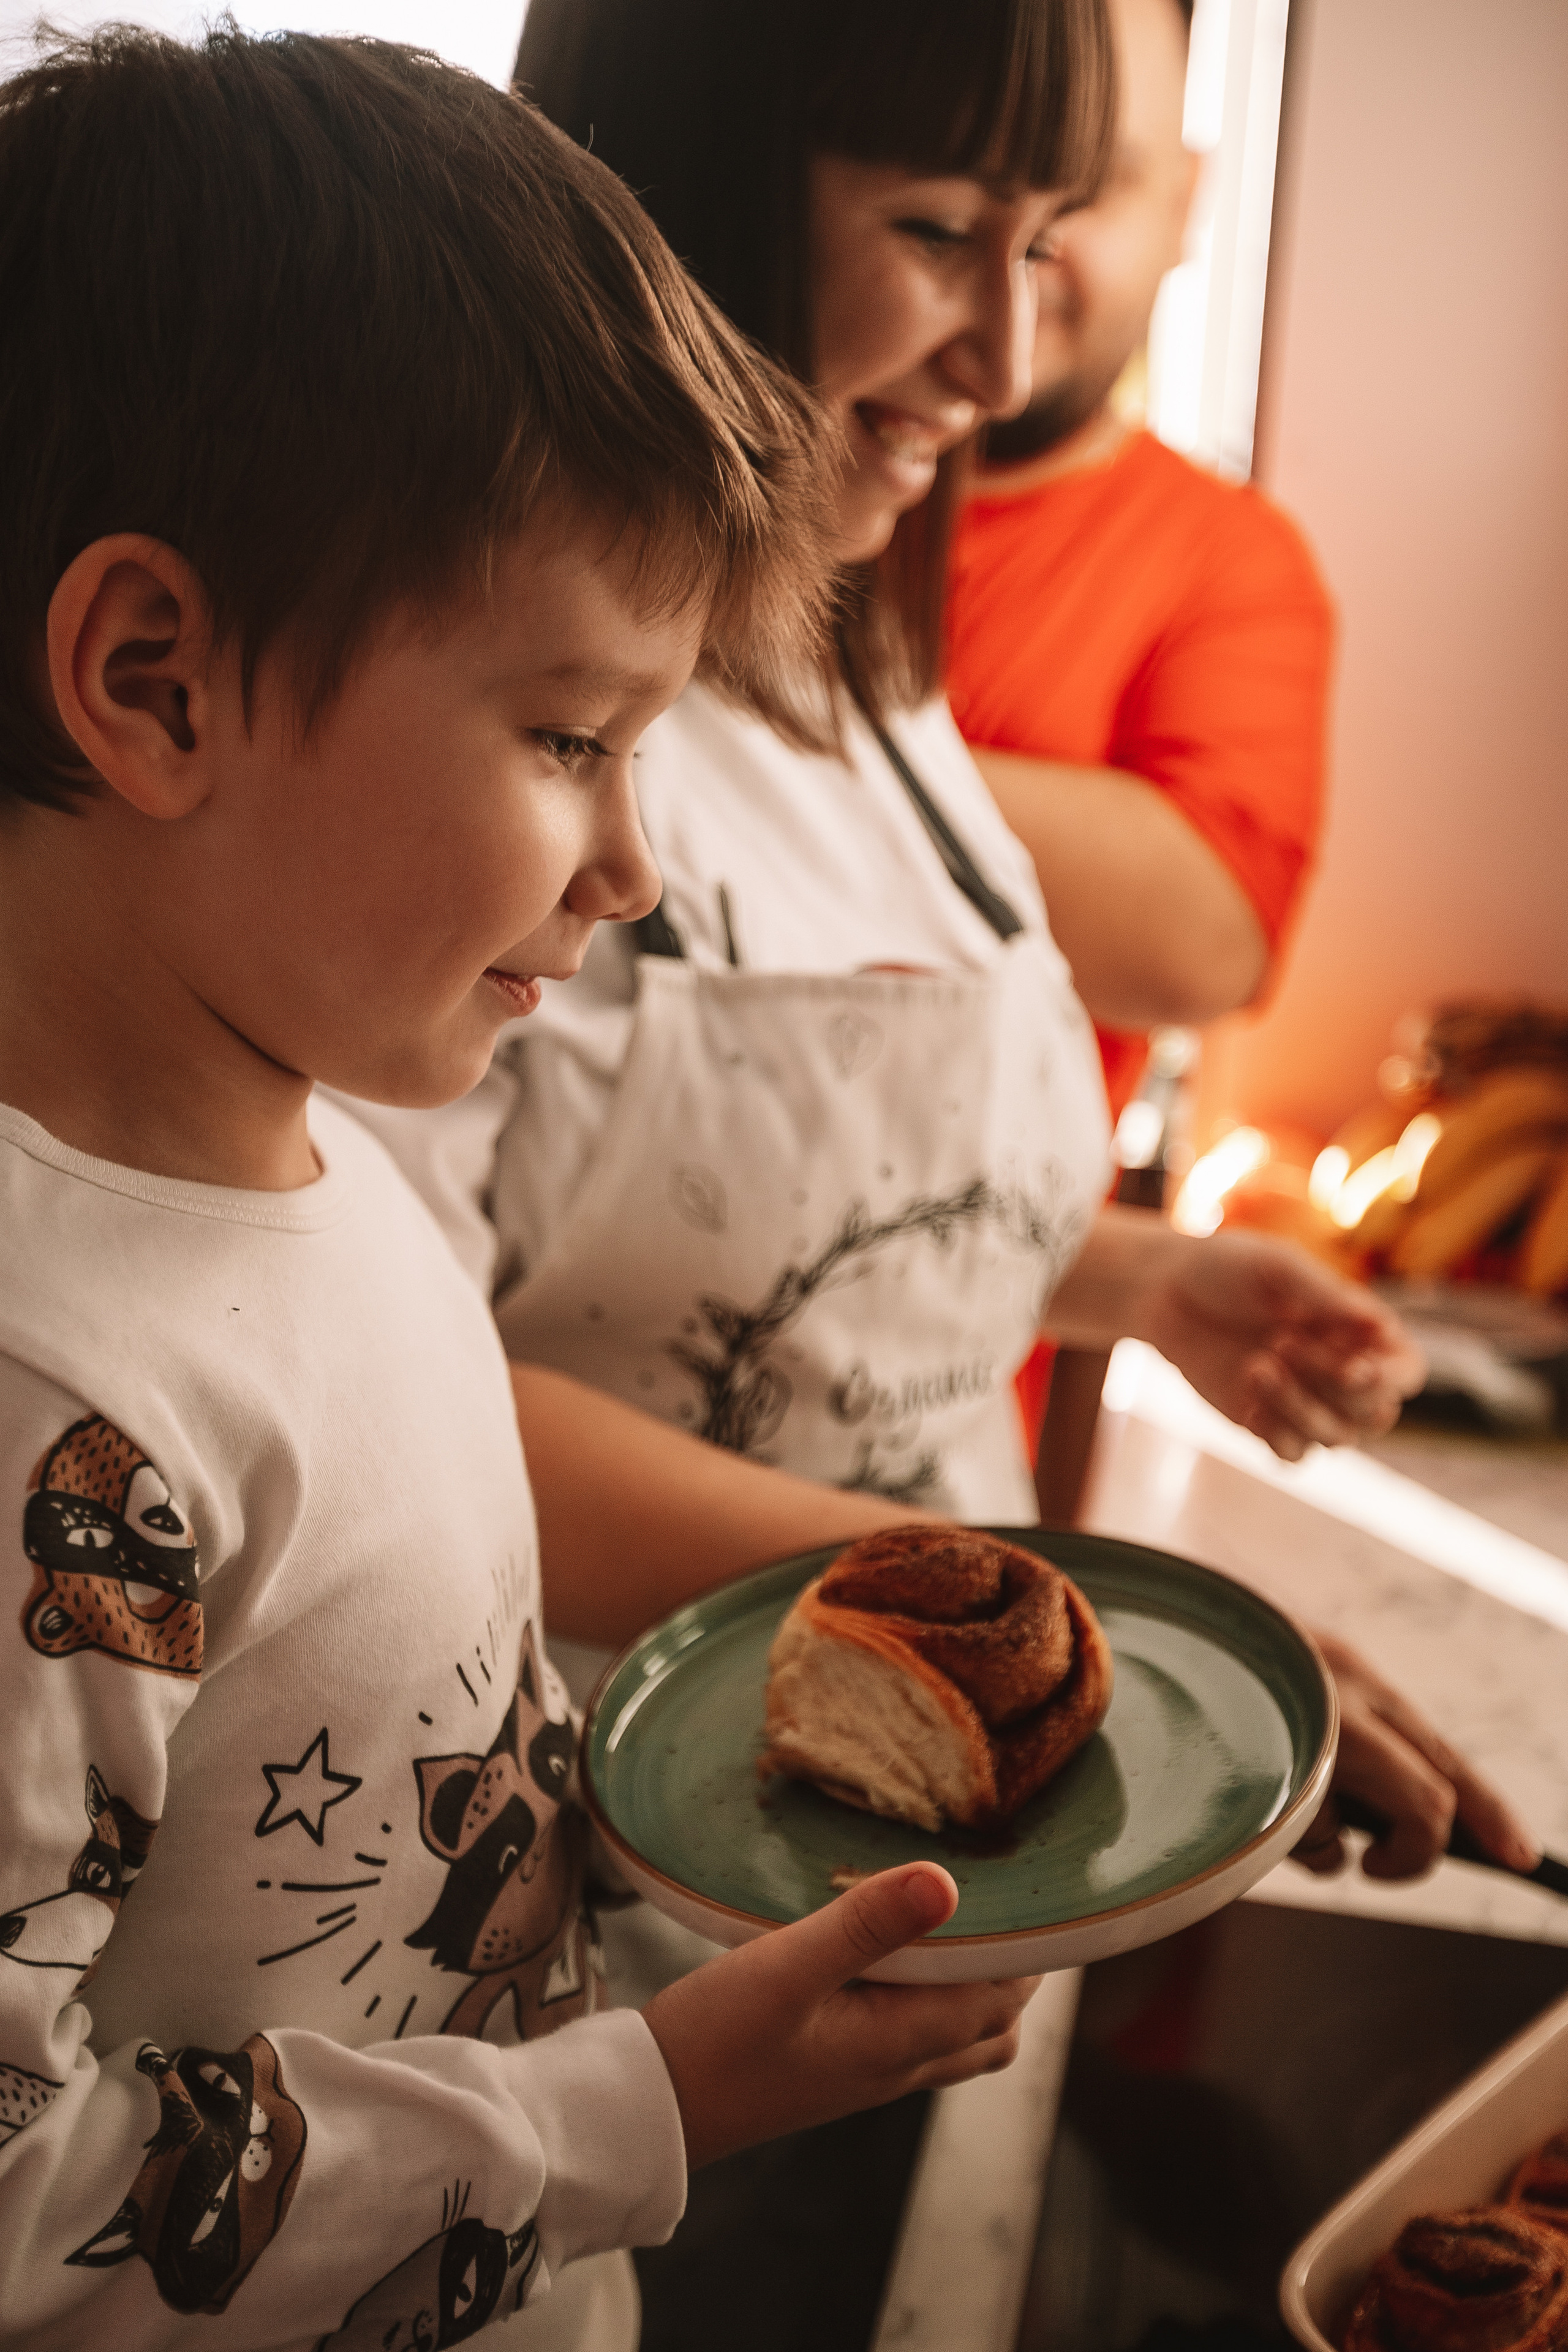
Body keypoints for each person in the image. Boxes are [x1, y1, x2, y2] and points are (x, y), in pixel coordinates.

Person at [0, 32, 1044, 2349]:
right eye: (570, 739)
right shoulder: (47, 1387)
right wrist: (631, 2106)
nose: (632, 867)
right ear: (154, 678)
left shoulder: (328, 1154)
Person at [347, 0, 1534, 1902]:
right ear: (682, 192)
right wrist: (1068, 1621)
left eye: (1043, 242)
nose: (1006, 352)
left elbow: (764, 1220)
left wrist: (1130, 1279)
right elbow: (391, 1382)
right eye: (933, 232)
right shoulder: (499, 728)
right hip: (596, 1837)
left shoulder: (868, 674)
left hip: (917, 1815)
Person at [948, 0, 1335, 1114]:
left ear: (1187, 203)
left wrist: (771, 750)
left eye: (1087, 186)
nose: (1021, 245)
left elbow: (1203, 946)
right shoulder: (743, 477)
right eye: (961, 192)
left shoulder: (1229, 560)